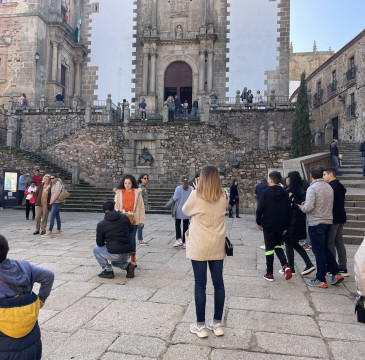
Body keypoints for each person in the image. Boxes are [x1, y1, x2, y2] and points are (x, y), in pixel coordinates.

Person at [182, 165, 227, 338]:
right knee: (218, 283)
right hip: (216, 243)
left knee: (200, 283)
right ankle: (217, 324)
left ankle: (200, 326)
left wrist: (196, 189)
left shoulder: (196, 194)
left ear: (201, 178)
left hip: (199, 244)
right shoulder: (223, 196)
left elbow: (185, 211)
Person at [0, 234, 54, 359]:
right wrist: (41, 299)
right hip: (29, 339)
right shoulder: (24, 267)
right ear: (8, 249)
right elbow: (48, 276)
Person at [299, 166, 344, 288]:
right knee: (325, 249)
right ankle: (335, 272)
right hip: (328, 221)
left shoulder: (312, 188)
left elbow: (309, 208)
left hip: (316, 222)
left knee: (318, 251)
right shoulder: (328, 187)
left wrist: (301, 207)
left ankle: (321, 279)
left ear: (311, 175)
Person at [256, 171, 292, 282]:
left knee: (269, 248)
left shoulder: (265, 193)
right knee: (277, 245)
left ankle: (269, 273)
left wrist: (259, 222)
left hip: (268, 224)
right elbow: (288, 211)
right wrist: (286, 226)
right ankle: (285, 265)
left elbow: (259, 209)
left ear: (270, 180)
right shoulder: (285, 193)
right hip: (280, 225)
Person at [282, 171, 315, 276]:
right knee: (293, 243)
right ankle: (295, 266)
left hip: (292, 220)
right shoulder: (302, 188)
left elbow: (286, 203)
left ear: (290, 178)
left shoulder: (292, 190)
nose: (286, 179)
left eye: (287, 177)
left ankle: (297, 266)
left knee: (289, 241)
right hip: (299, 219)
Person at [93, 201, 136, 279]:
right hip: (128, 251)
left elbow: (100, 244)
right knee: (114, 263)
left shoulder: (101, 224)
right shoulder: (124, 217)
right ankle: (128, 266)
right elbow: (131, 230)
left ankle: (108, 271)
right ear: (114, 208)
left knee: (96, 250)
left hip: (116, 254)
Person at [114, 175, 145, 267]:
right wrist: (117, 214)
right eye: (125, 183)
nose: (127, 185)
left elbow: (141, 207)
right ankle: (122, 257)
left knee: (132, 239)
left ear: (132, 184)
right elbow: (115, 205)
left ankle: (133, 258)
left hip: (133, 218)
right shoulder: (119, 192)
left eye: (129, 183)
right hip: (122, 218)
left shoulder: (137, 192)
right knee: (122, 239)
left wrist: (141, 220)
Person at [323, 168, 348, 276]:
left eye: (324, 174)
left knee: (330, 242)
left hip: (334, 218)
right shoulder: (339, 185)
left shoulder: (331, 186)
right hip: (341, 216)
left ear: (331, 175)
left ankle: (332, 267)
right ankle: (342, 267)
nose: (323, 177)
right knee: (339, 242)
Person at [172, 177, 193, 248]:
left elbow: (175, 198)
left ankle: (179, 239)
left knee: (177, 224)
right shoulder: (191, 189)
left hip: (179, 209)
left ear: (181, 181)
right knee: (185, 225)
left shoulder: (178, 188)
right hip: (187, 210)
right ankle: (185, 241)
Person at [137, 174, 150, 246]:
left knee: (140, 223)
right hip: (140, 208)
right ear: (141, 179)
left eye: (147, 178)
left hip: (142, 207)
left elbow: (144, 198)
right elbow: (139, 198)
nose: (146, 179)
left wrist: (147, 204)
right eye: (145, 178)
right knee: (140, 223)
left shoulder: (143, 187)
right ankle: (140, 240)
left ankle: (140, 239)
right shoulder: (140, 187)